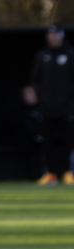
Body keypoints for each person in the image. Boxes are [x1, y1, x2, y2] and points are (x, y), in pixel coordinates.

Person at [23, 25, 74, 186]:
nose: (52, 38)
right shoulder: (42, 56)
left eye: (55, 35)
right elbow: (35, 81)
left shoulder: (71, 55)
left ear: (61, 36)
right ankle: (51, 174)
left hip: (67, 108)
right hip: (46, 108)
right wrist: (33, 95)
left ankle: (68, 173)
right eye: (50, 35)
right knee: (48, 142)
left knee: (68, 141)